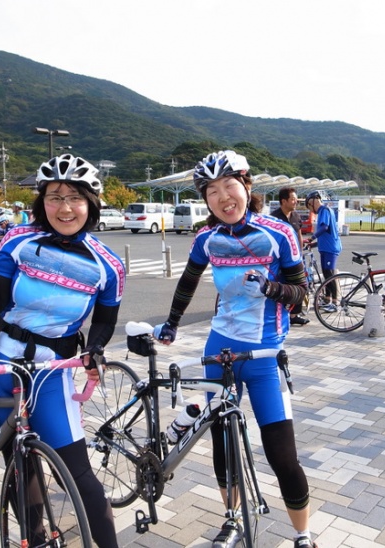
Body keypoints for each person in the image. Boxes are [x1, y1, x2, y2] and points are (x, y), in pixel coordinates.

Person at [0, 153, 123, 547]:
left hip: (51, 370)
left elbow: (105, 319)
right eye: (54, 196)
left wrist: (94, 349)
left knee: (78, 471)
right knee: (17, 463)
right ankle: (36, 537)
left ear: (91, 203)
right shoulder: (18, 241)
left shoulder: (108, 265)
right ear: (41, 202)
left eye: (75, 197)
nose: (64, 207)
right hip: (3, 363)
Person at [154, 150, 317, 548]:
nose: (223, 196)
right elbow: (188, 282)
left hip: (264, 357)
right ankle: (232, 518)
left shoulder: (278, 233)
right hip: (219, 351)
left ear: (247, 186)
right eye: (212, 190)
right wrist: (172, 323)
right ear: (205, 199)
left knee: (283, 456)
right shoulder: (207, 238)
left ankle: (302, 534)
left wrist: (269, 288)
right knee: (223, 446)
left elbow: (303, 297)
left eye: (229, 185)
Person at [271, 187, 309, 326]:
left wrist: (299, 254)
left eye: (296, 199)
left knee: (299, 285)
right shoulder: (274, 218)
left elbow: (299, 235)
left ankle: (294, 315)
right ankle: (276, 314)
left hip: (293, 259)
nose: (295, 202)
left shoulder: (295, 216)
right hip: (277, 259)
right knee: (279, 286)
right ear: (283, 201)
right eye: (292, 199)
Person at [305, 191, 342, 313]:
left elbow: (325, 228)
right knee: (326, 274)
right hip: (325, 248)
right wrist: (313, 244)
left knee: (330, 274)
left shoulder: (325, 210)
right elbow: (325, 234)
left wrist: (312, 237)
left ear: (313, 202)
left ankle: (335, 303)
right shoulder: (322, 212)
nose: (311, 210)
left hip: (331, 248)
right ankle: (327, 300)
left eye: (309, 206)